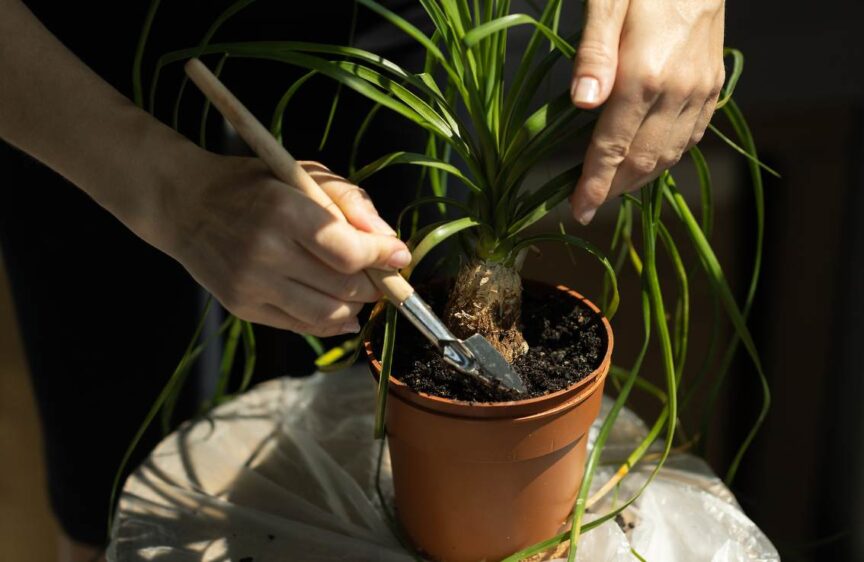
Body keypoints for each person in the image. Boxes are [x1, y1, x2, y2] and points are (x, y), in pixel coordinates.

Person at [0, 0, 724, 559]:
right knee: (114, 490)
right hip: (69, 53)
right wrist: (165, 194)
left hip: (370, 22)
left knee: (364, 347)